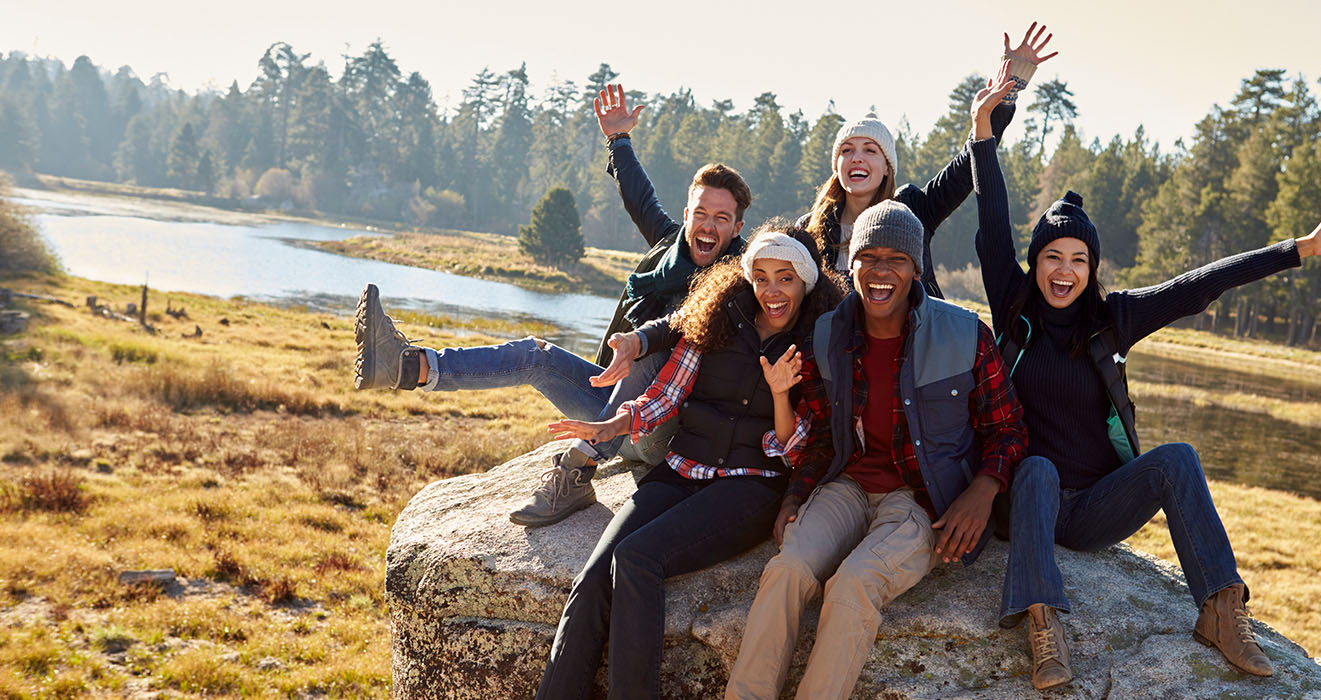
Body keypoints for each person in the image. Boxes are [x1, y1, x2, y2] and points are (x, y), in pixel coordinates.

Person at [967, 53, 1321, 690]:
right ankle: (1043, 622)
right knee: (1038, 467)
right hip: (1025, 502)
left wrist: (1298, 249)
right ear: (1035, 261)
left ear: (1092, 266)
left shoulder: (1114, 320)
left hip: (1096, 509)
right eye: (1051, 256)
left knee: (1177, 457)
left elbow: (1201, 286)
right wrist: (982, 129)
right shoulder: (1013, 309)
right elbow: (991, 220)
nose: (1064, 270)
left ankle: (1219, 609)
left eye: (1078, 257)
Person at [352, 95, 753, 527]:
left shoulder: (739, 280)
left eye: (722, 218)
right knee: (536, 354)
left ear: (737, 228)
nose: (708, 226)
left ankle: (577, 471)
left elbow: (687, 329)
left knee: (653, 349)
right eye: (701, 213)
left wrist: (637, 342)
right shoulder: (669, 246)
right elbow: (640, 197)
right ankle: (409, 367)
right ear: (688, 214)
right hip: (609, 405)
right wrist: (618, 138)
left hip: (662, 429)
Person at [724, 202, 1027, 700]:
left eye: (896, 259)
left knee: (851, 586)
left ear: (916, 269)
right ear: (853, 265)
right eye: (868, 257)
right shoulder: (829, 334)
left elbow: (1009, 429)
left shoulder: (967, 334)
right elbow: (823, 434)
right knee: (786, 570)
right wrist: (795, 497)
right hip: (846, 486)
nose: (881, 271)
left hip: (922, 501)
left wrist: (983, 490)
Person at [532, 225, 846, 700]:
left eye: (785, 278)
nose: (771, 290)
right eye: (761, 276)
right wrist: (611, 427)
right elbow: (667, 394)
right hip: (680, 469)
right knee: (594, 575)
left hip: (750, 487)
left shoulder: (819, 342)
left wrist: (782, 394)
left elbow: (798, 450)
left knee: (636, 558)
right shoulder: (720, 317)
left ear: (805, 281)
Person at [798, 22, 1056, 297]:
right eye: (846, 150)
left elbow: (966, 166)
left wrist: (1007, 94)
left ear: (887, 167)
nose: (856, 158)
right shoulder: (810, 229)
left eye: (870, 150)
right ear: (836, 166)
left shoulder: (914, 209)